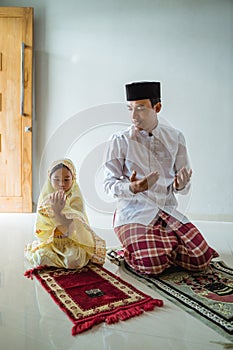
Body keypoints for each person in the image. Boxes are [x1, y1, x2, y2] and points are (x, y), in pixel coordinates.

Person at [103, 81, 218, 275]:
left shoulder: (176, 137)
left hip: (166, 211)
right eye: (130, 108)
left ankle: (164, 244)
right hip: (133, 213)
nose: (133, 116)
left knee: (200, 260)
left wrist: (181, 184)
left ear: (157, 107)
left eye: (140, 108)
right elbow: (108, 185)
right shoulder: (119, 140)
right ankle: (143, 249)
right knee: (153, 265)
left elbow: (183, 186)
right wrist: (133, 188)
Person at [25, 158, 106, 269]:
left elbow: (72, 231)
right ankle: (56, 259)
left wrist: (58, 212)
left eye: (66, 179)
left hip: (72, 242)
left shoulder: (76, 197)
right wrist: (54, 210)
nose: (61, 184)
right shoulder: (46, 198)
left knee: (74, 259)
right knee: (40, 258)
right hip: (52, 242)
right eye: (56, 179)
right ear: (50, 179)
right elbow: (42, 230)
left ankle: (59, 261)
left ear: (73, 179)